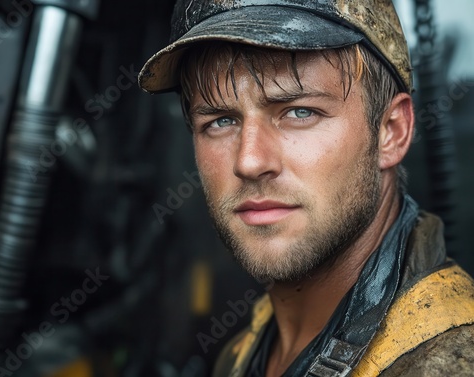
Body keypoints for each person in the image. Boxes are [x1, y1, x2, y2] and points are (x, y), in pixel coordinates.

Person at [139, 0, 474, 376]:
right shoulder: (244, 351)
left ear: (391, 132)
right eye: (221, 121)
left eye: (299, 112)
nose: (249, 161)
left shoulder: (448, 362)